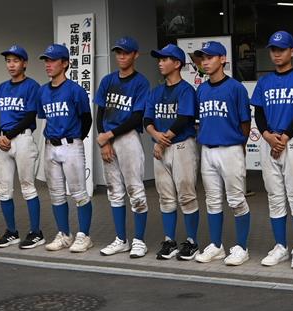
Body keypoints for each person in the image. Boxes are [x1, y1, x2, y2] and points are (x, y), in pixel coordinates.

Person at [251, 30, 293, 268]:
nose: (277, 54)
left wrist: (284, 137)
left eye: (281, 49)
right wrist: (268, 136)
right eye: (273, 50)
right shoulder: (264, 81)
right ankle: (280, 246)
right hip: (270, 142)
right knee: (275, 197)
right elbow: (258, 112)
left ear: (292, 51)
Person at [192, 40, 252, 266]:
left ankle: (242, 247)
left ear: (223, 59)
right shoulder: (202, 89)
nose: (205, 62)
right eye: (203, 58)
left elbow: (245, 123)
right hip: (208, 149)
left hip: (231, 149)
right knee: (212, 201)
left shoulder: (236, 88)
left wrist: (240, 146)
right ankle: (216, 246)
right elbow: (199, 121)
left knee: (236, 200)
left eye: (210, 57)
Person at [95, 37, 152, 258]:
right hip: (108, 140)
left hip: (128, 138)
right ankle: (121, 239)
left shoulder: (141, 82)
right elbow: (100, 113)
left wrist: (108, 136)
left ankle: (139, 240)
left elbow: (137, 116)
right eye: (118, 52)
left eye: (126, 53)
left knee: (135, 189)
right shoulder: (108, 80)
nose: (121, 56)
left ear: (135, 55)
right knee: (114, 191)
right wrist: (105, 141)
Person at [144, 44, 201, 260]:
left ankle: (192, 242)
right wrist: (155, 136)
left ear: (177, 63)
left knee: (186, 195)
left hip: (181, 146)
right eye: (159, 59)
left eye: (164, 59)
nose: (160, 63)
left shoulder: (186, 90)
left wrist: (161, 141)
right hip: (161, 147)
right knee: (165, 196)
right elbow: (147, 119)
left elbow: (184, 118)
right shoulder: (156, 91)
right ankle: (170, 241)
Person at [37, 43, 95, 252]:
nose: (48, 64)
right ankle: (64, 234)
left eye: (52, 60)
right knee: (57, 194)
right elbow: (44, 117)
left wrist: (76, 139)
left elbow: (86, 119)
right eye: (46, 60)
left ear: (65, 63)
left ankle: (84, 235)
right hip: (50, 146)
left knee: (79, 193)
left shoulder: (75, 90)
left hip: (71, 145)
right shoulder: (42, 91)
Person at [0, 45, 45, 249]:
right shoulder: (2, 87)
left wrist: (8, 135)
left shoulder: (32, 86)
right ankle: (11, 232)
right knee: (4, 189)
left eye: (15, 60)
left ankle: (36, 232)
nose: (11, 65)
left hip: (22, 139)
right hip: (4, 142)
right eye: (8, 61)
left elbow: (30, 116)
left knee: (27, 187)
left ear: (24, 63)